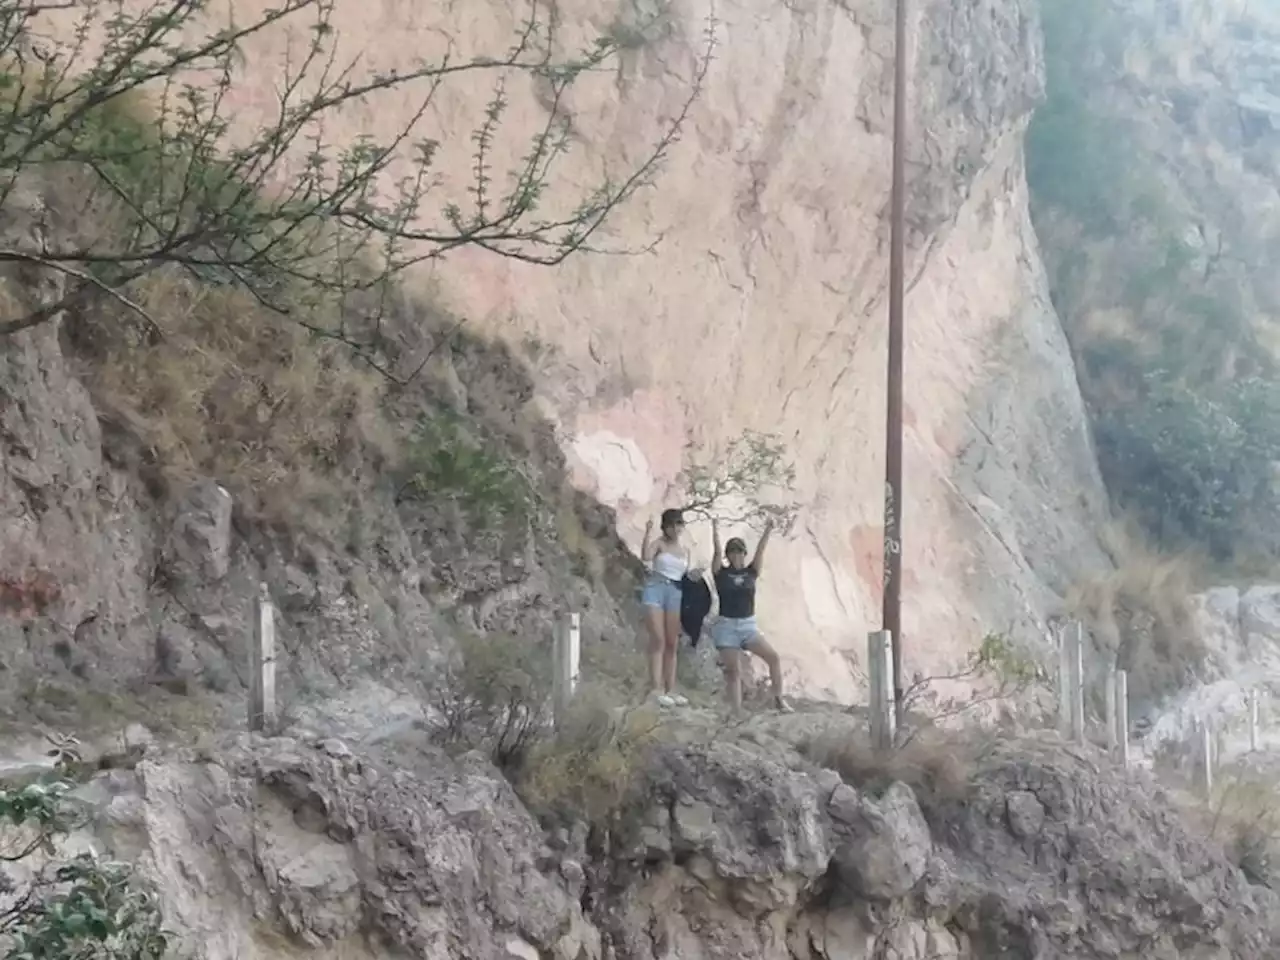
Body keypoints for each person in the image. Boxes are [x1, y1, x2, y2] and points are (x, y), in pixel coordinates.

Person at [710, 517, 792, 714]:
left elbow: (761, 550)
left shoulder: (751, 572)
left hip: (747, 625)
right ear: (728, 555)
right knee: (733, 671)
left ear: (744, 554)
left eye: (740, 552)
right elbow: (716, 552)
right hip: (727, 626)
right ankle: (736, 711)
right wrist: (715, 530)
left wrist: (768, 529)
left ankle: (779, 699)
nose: (736, 555)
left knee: (773, 658)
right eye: (733, 552)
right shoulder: (721, 573)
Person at [640, 508, 699, 706]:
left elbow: (686, 574)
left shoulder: (685, 551)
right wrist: (647, 532)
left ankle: (670, 688)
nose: (675, 529)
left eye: (678, 524)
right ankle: (655, 689)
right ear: (665, 527)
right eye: (671, 525)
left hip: (675, 591)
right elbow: (646, 557)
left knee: (672, 642)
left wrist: (695, 575)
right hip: (656, 588)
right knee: (658, 638)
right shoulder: (659, 543)